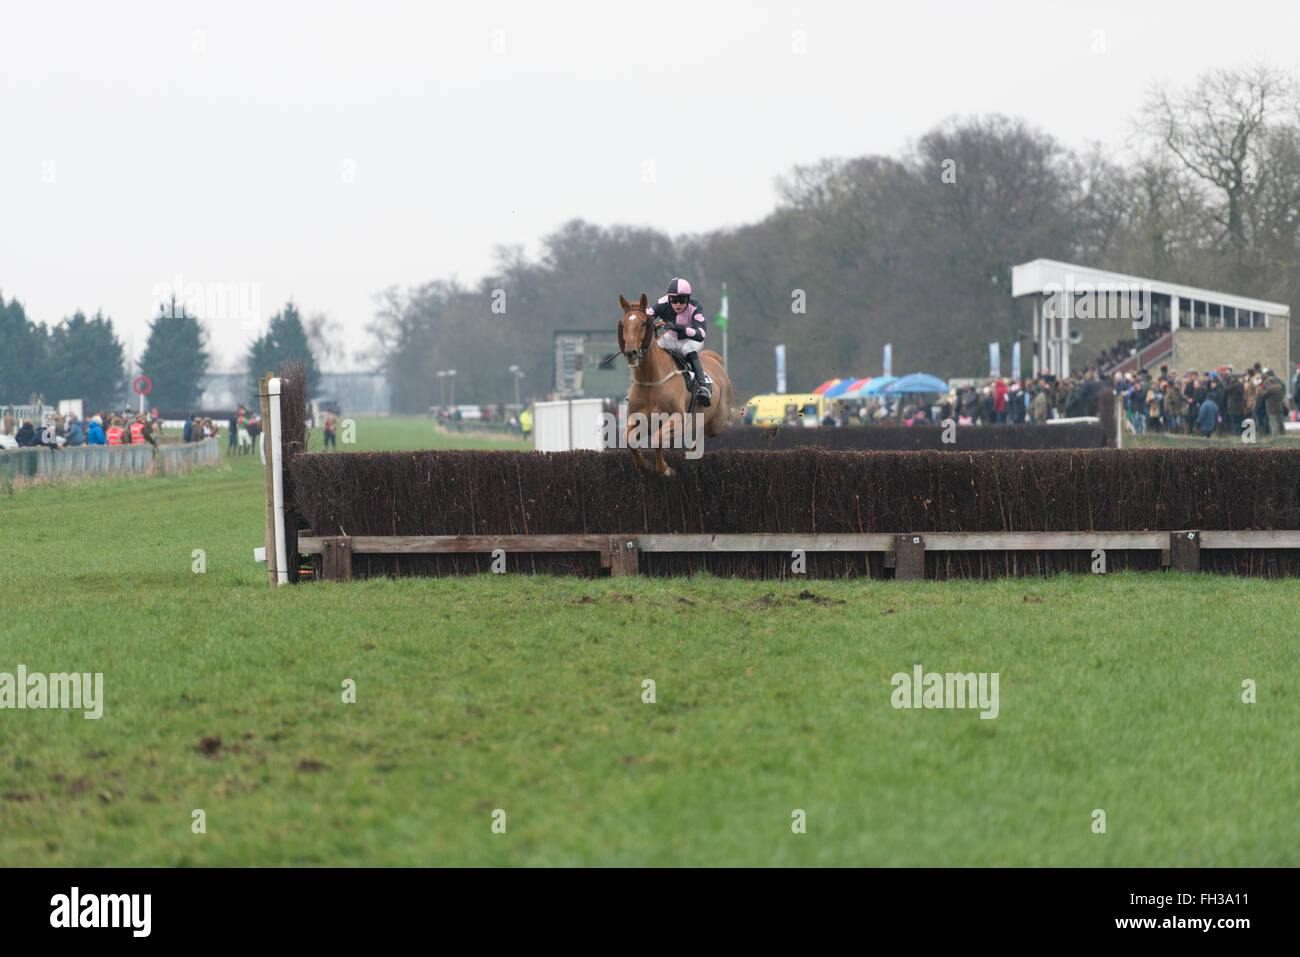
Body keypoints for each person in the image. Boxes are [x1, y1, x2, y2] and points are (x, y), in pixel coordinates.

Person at [647, 277, 712, 406]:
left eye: (682, 301)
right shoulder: (662, 302)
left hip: (691, 341)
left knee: (687, 349)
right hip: (670, 338)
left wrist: (679, 328)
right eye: (674, 300)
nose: (678, 304)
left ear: (688, 299)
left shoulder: (695, 307)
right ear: (669, 298)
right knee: (651, 350)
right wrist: (649, 325)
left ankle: (704, 386)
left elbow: (701, 334)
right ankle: (643, 385)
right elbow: (646, 315)